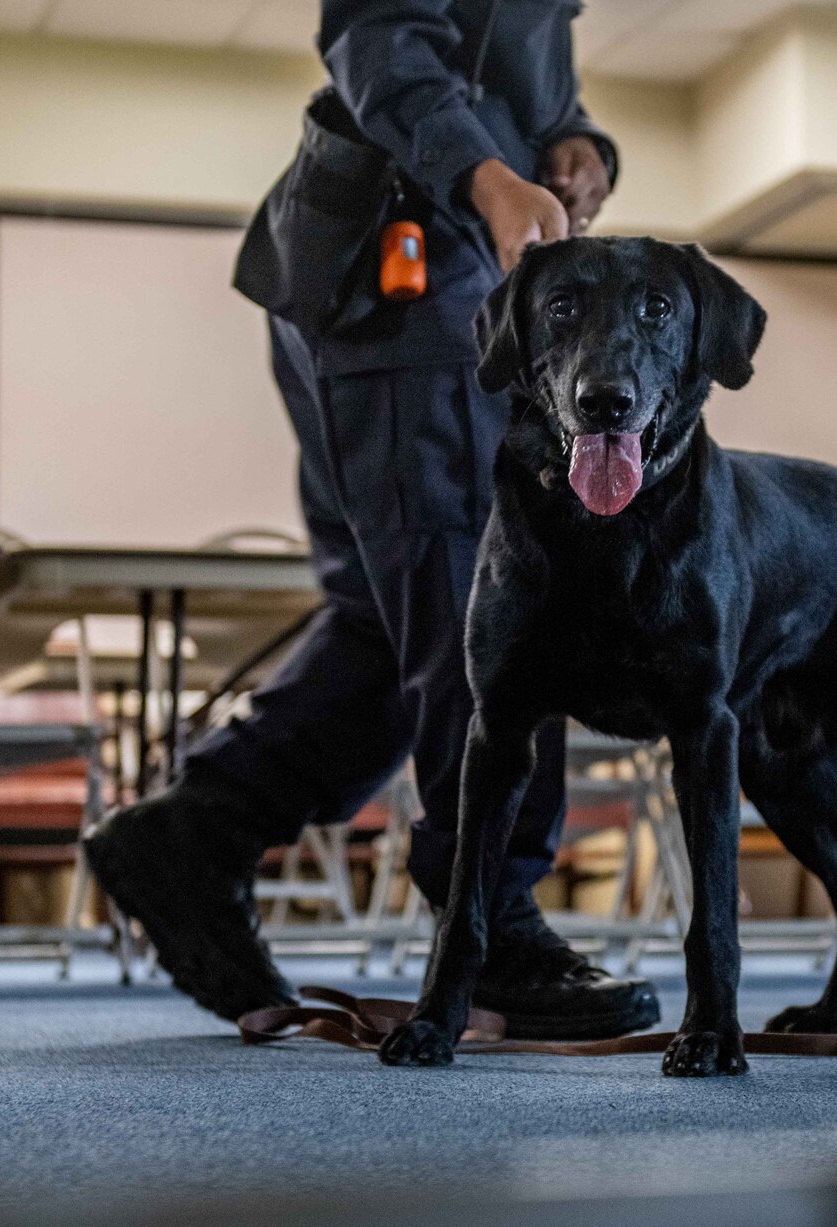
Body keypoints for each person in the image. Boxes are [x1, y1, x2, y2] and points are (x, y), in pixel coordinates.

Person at [85, 0, 660, 1038]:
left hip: (407, 273)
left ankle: (195, 832)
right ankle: (490, 916)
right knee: (480, 591)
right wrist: (488, 175)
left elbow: (525, 78)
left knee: (389, 622)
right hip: (402, 268)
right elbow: (376, 35)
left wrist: (576, 145)